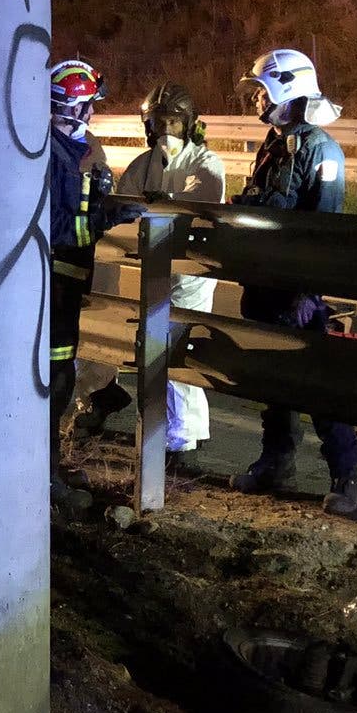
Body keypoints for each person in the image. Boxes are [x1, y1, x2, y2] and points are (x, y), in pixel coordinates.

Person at [227, 49, 357, 516]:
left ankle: (345, 473)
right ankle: (275, 461)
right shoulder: (275, 142)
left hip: (297, 287)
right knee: (271, 379)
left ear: (288, 89)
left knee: (316, 381)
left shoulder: (320, 148)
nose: (256, 99)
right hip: (264, 280)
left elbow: (326, 225)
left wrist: (307, 287)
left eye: (263, 90)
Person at [117, 82, 230, 464]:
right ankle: (182, 431)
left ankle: (184, 438)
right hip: (156, 269)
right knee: (159, 348)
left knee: (178, 347)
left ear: (190, 124)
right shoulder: (143, 165)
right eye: (159, 122)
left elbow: (199, 202)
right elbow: (123, 205)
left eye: (174, 122)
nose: (166, 130)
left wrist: (158, 205)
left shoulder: (205, 162)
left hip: (192, 272)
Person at [47, 57, 116, 509]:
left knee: (58, 380)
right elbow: (59, 228)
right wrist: (110, 216)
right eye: (88, 104)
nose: (91, 113)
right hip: (53, 287)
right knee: (51, 384)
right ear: (70, 107)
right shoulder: (53, 157)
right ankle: (45, 477)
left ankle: (49, 466)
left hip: (63, 286)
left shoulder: (66, 151)